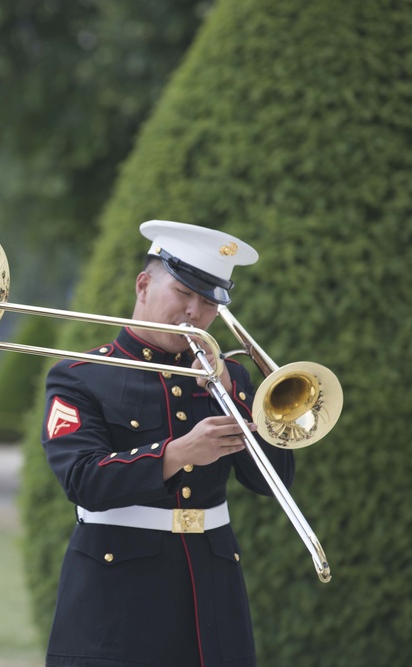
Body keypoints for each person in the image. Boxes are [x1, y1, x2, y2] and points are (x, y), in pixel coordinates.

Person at [41, 220, 295, 667]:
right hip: (116, 596)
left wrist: (234, 394)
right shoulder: (80, 376)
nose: (195, 312)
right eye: (183, 292)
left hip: (212, 590)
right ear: (143, 285)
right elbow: (83, 481)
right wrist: (176, 454)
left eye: (208, 301)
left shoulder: (231, 378)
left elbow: (275, 480)